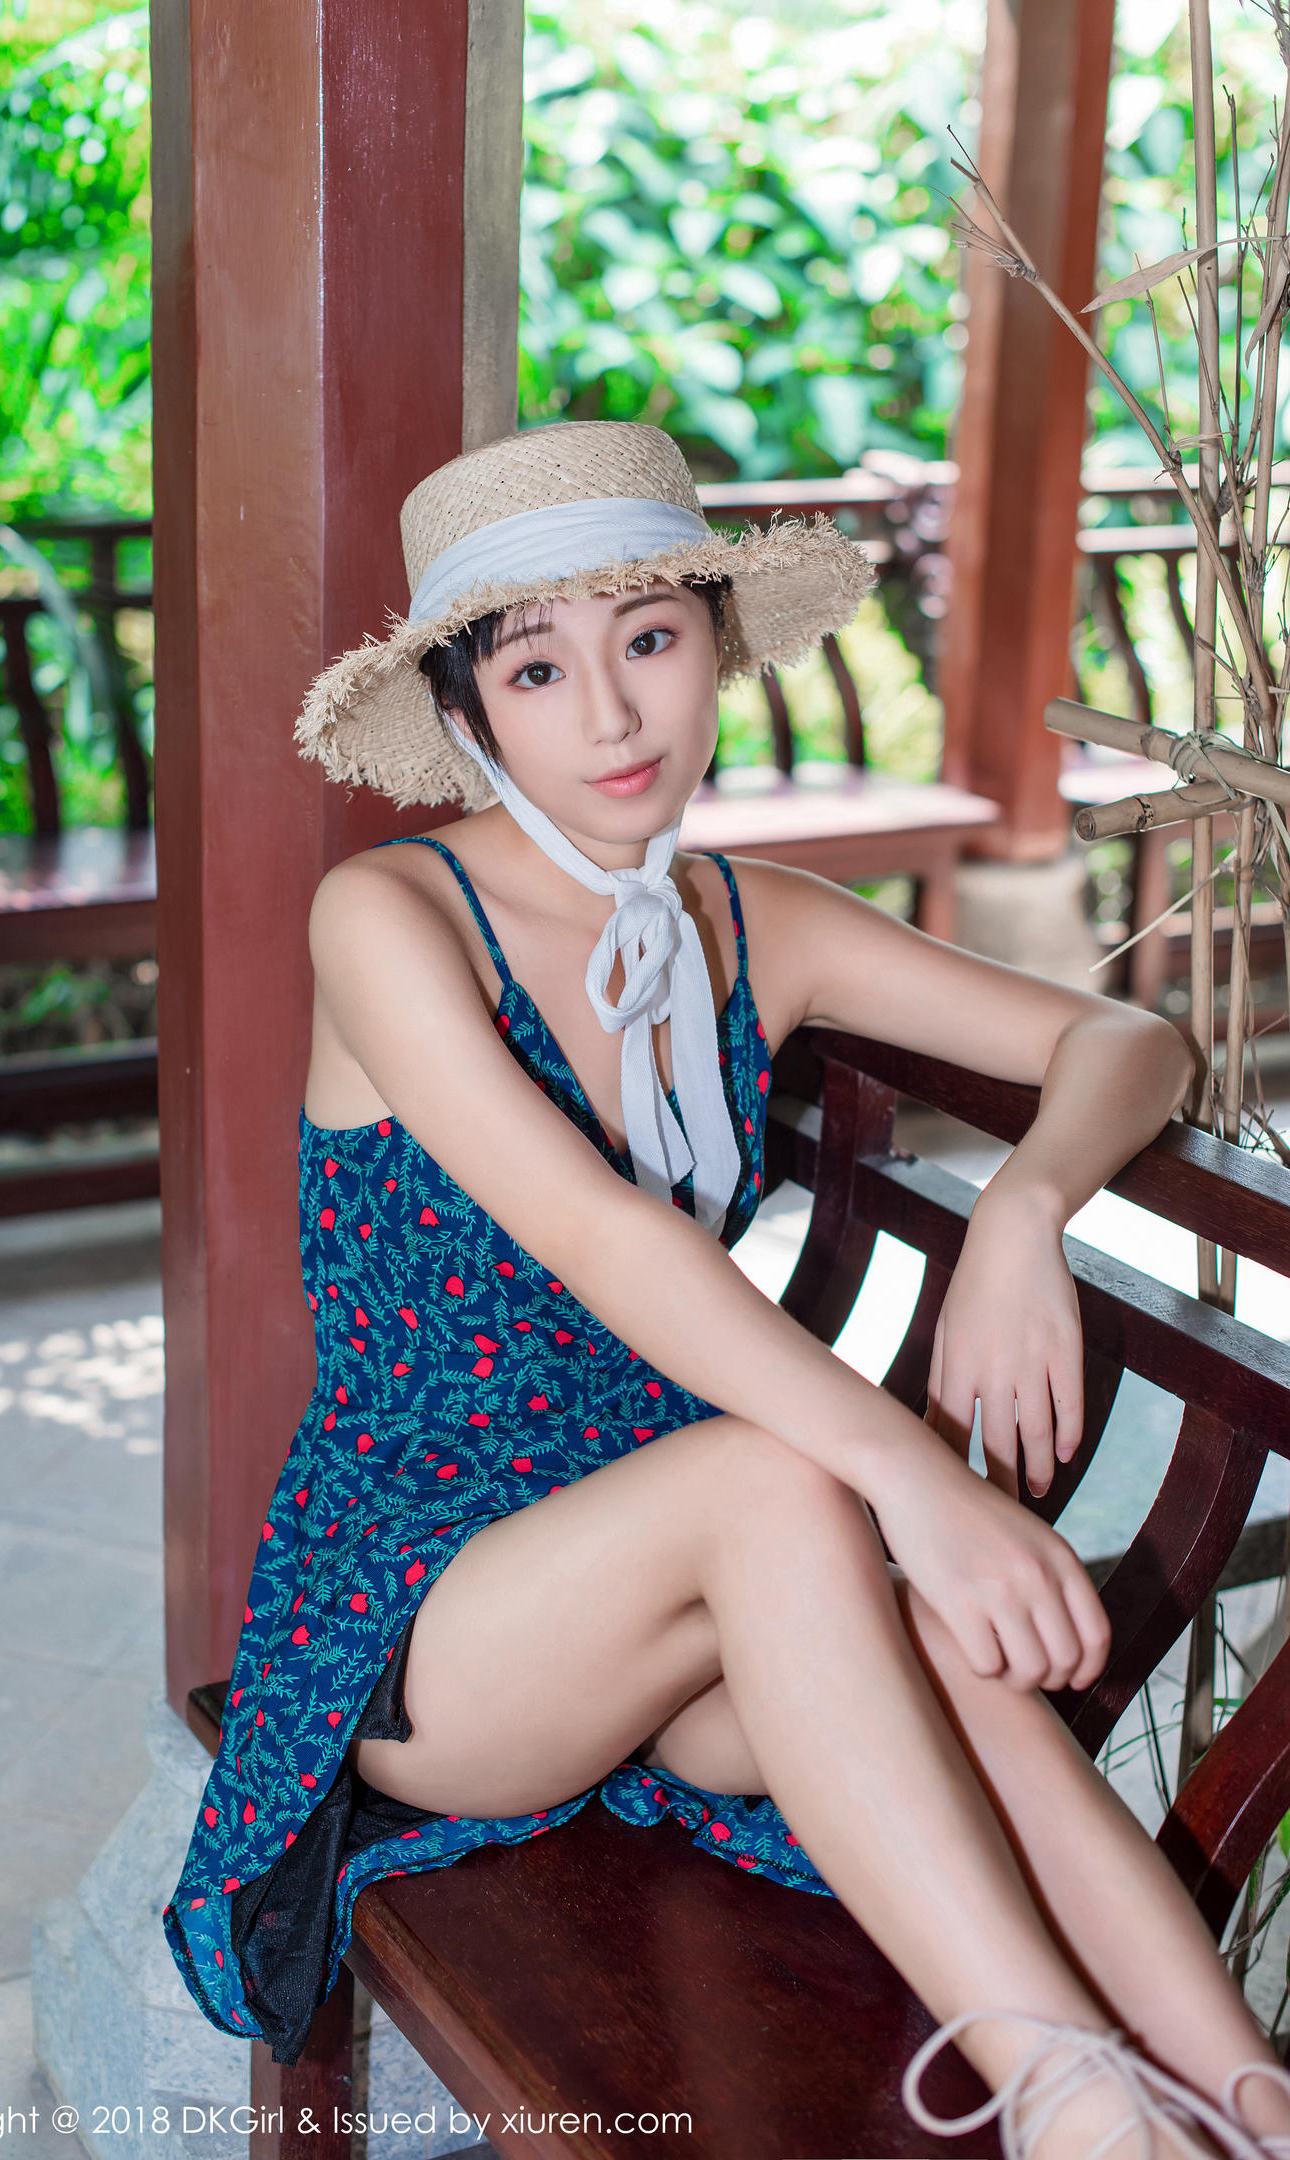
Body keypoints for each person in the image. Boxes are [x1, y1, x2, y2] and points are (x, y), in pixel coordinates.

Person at [163, 420, 1290, 2159]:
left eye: (650, 639)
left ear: (716, 649)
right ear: (468, 715)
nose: (614, 715)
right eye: (539, 670)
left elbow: (1125, 1039)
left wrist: (1025, 1210)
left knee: (931, 1641)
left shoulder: (759, 925)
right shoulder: (391, 918)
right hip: (439, 1620)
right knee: (792, 1488)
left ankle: (1247, 2107)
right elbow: (611, 1242)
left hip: (706, 1595)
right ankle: (1073, 2103)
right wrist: (920, 1483)